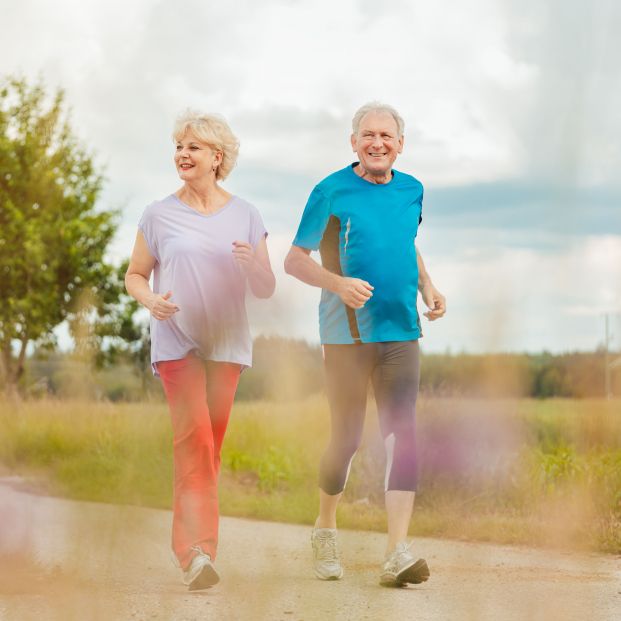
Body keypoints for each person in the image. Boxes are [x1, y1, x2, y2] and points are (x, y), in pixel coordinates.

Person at [284, 101, 446, 587]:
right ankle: (326, 528)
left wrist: (428, 286)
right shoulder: (330, 191)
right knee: (348, 438)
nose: (378, 144)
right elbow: (295, 260)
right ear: (353, 142)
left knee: (403, 436)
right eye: (368, 135)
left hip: (402, 332)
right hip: (347, 336)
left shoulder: (413, 190)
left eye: (387, 136)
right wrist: (338, 284)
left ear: (400, 144)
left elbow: (405, 244)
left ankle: (397, 551)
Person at [125, 110, 275, 590]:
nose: (182, 155)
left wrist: (253, 265)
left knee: (209, 447)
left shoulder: (246, 214)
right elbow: (134, 274)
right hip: (177, 343)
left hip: (227, 346)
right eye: (178, 147)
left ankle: (195, 547)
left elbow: (267, 288)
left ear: (217, 157)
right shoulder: (158, 213)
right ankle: (196, 554)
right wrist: (150, 299)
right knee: (194, 439)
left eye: (193, 148)